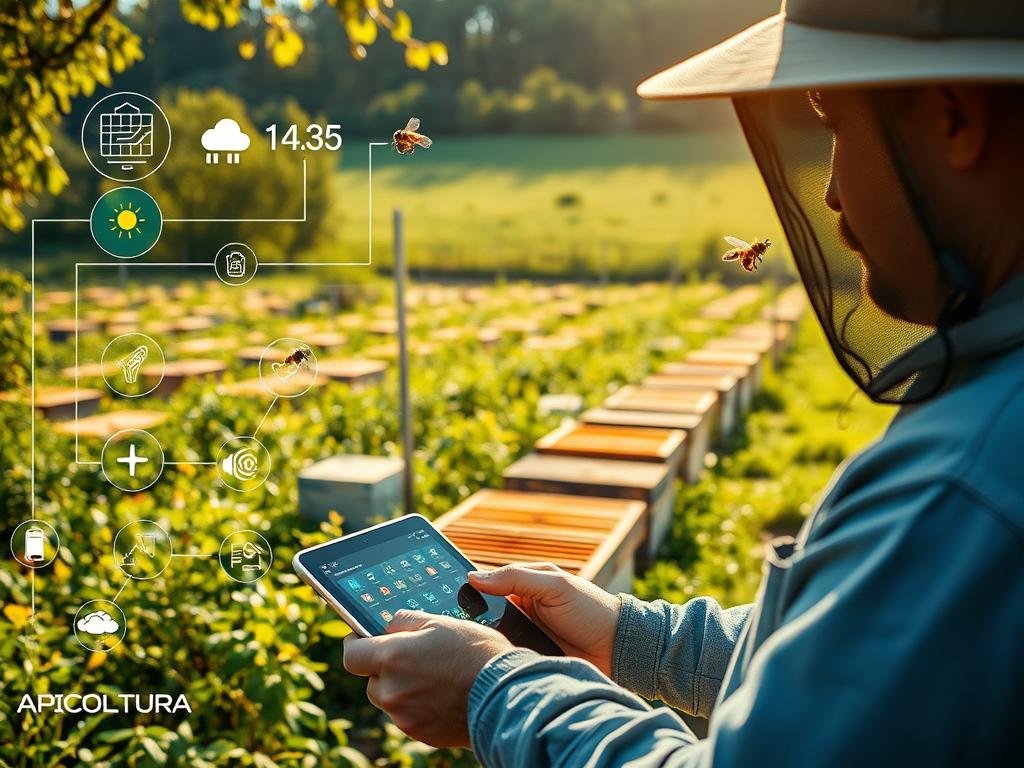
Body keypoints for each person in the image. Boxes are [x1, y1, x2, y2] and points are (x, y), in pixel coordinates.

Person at [342, 0, 1024, 764]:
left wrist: (493, 690)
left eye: (834, 125)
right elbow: (870, 665)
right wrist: (636, 638)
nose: (829, 193)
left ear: (954, 119)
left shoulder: (968, 485)